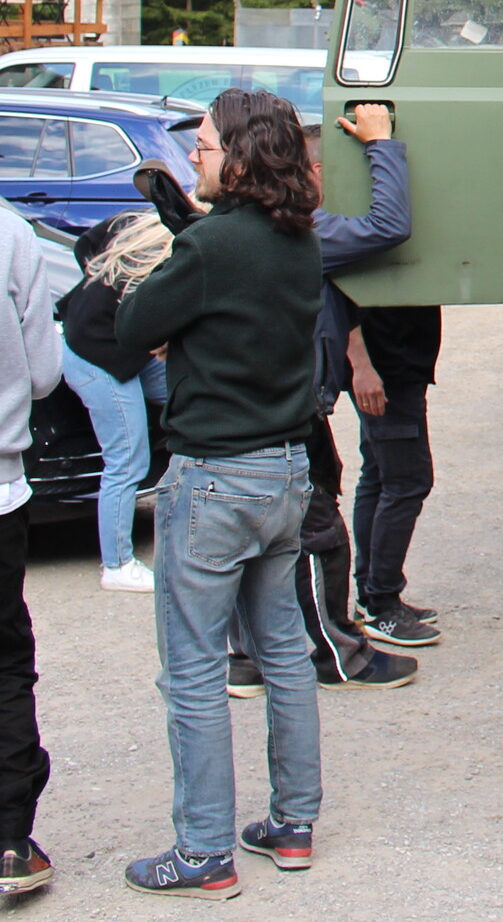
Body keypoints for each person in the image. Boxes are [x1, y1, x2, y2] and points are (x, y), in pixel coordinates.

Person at [117, 89, 323, 899]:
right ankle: (294, 822)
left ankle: (203, 851)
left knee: (194, 670)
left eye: (201, 145)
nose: (192, 157)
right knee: (283, 652)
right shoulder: (299, 241)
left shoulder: (208, 250)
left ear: (236, 156)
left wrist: (171, 259)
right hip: (284, 469)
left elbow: (132, 330)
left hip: (212, 478)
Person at [227, 106, 417, 694]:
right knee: (316, 534)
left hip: (269, 407)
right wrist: (382, 145)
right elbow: (388, 225)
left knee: (256, 533)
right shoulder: (300, 232)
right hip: (289, 410)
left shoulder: (236, 226)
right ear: (312, 168)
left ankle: (247, 658)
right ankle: (336, 655)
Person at [57, 212, 174, 591]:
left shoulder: (138, 222)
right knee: (126, 459)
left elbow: (83, 243)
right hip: (96, 357)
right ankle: (117, 564)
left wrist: (97, 283)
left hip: (115, 346)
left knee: (191, 389)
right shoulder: (177, 251)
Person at [0, 199, 61, 896]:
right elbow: (44, 375)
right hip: (0, 489)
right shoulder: (13, 235)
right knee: (6, 665)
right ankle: (10, 841)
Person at [350, 299, 443, 647]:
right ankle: (381, 607)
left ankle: (370, 593)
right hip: (386, 369)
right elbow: (336, 296)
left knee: (378, 475)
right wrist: (360, 365)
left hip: (397, 364)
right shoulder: (363, 241)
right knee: (408, 482)